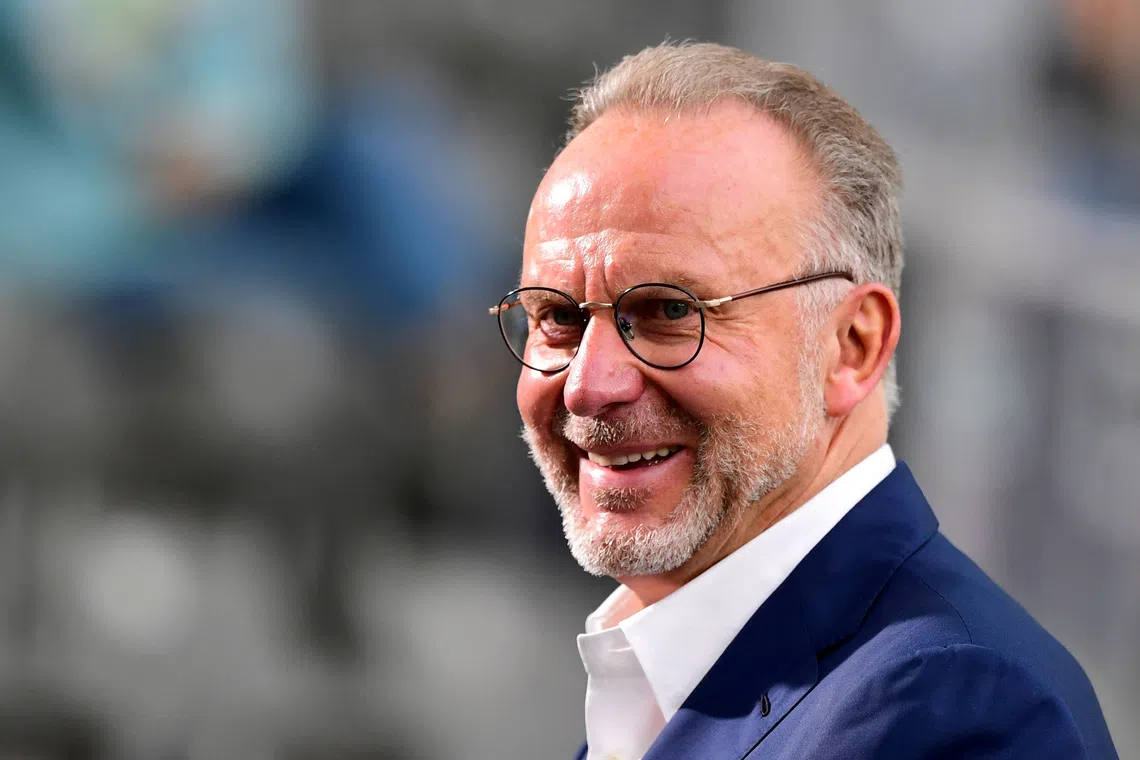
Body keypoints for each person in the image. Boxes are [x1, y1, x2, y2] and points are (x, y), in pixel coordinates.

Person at [488, 42, 1120, 759]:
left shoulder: (951, 707)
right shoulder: (670, 674)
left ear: (852, 345)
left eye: (668, 312)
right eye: (558, 318)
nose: (589, 384)